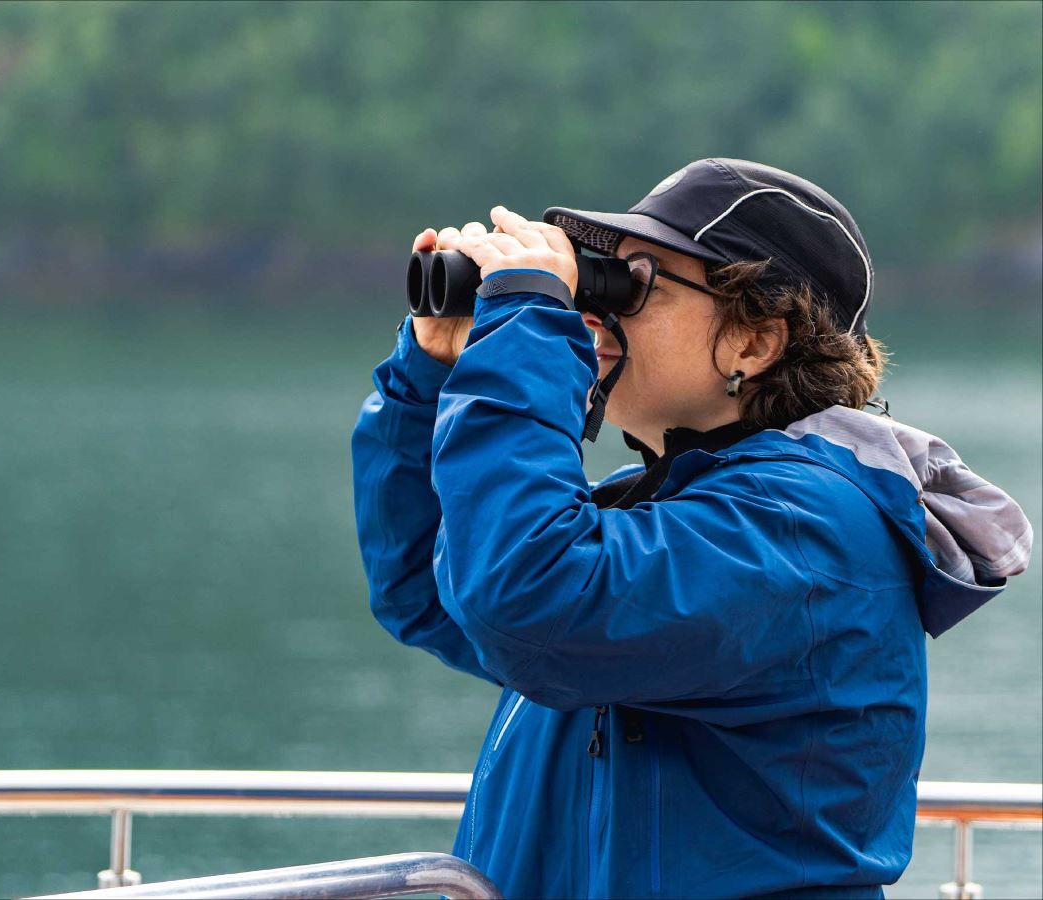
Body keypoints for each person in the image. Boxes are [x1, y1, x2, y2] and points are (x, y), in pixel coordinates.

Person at [350, 159, 1033, 899]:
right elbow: (427, 589)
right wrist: (428, 377)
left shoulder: (805, 532)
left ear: (752, 343)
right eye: (596, 277)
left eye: (634, 284)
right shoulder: (653, 509)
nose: (595, 310)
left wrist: (529, 327)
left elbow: (530, 601)